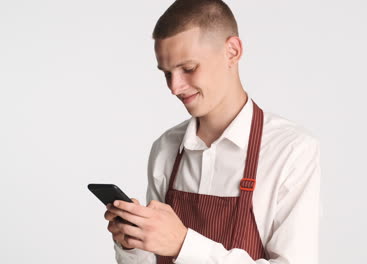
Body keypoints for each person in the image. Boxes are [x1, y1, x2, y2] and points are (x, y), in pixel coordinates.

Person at [104, 0, 322, 263]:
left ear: (232, 51)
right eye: (166, 74)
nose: (175, 87)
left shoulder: (291, 150)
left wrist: (183, 244)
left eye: (188, 68)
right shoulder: (165, 149)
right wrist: (131, 245)